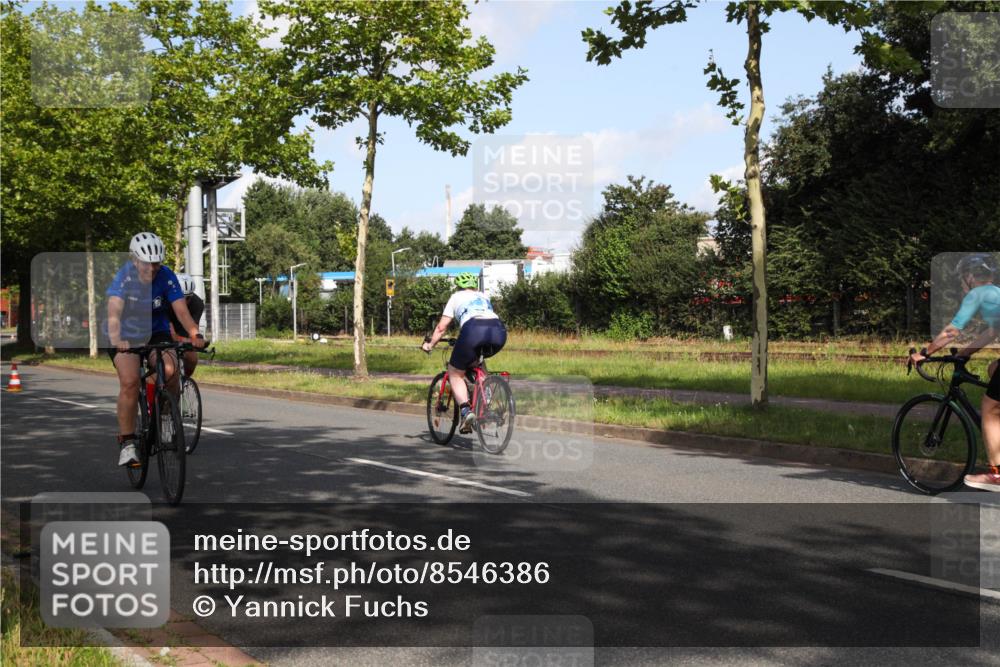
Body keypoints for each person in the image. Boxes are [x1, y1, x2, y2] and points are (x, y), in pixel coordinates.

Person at [106, 232, 205, 467]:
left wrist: (195, 334)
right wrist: (116, 338)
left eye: (157, 263)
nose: (152, 268)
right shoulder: (124, 278)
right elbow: (113, 314)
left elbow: (181, 311)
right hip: (126, 334)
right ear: (134, 260)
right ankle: (128, 443)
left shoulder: (167, 276)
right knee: (130, 381)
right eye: (147, 263)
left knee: (170, 370)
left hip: (156, 333)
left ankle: (166, 418)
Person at [909, 253, 1000, 491]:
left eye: (962, 277)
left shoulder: (977, 293)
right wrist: (964, 354)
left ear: (970, 276)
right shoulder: (995, 294)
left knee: (990, 407)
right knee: (993, 369)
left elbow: (951, 332)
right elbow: (991, 333)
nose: (962, 282)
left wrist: (925, 353)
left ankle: (997, 474)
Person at [422, 272, 507, 434]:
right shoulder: (483, 296)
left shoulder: (456, 297)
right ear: (474, 285)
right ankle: (486, 399)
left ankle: (466, 411)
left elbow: (441, 327)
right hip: (498, 331)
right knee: (478, 361)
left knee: (454, 372)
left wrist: (430, 344)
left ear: (459, 286)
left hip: (473, 330)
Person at [168, 273, 205, 378]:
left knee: (192, 358)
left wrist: (197, 339)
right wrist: (188, 340)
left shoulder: (197, 304)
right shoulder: (165, 302)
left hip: (182, 330)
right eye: (181, 297)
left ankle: (184, 381)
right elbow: (172, 335)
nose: (184, 301)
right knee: (168, 366)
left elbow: (193, 331)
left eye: (188, 298)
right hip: (164, 330)